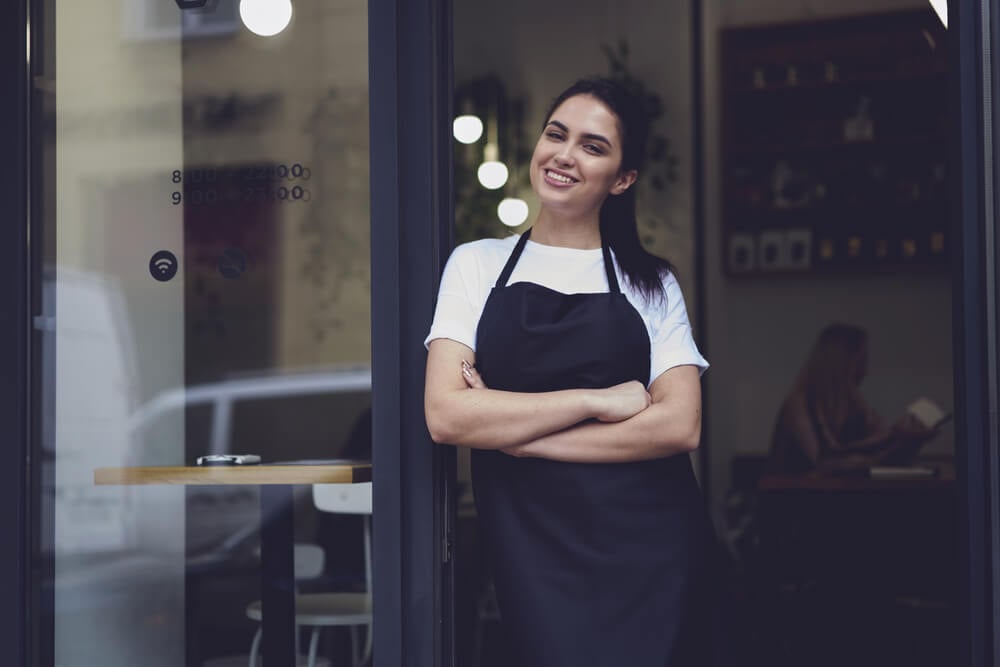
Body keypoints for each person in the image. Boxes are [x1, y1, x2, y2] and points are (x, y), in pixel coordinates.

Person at [424, 78, 714, 667]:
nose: (564, 154)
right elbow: (448, 414)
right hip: (533, 553)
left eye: (592, 146)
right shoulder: (475, 265)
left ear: (623, 178)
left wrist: (525, 439)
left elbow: (679, 426)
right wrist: (597, 400)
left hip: (652, 551)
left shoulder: (651, 284)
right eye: (556, 134)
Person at [766, 323, 933, 475]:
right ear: (843, 363)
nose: (865, 370)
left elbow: (881, 455)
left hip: (837, 496)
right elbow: (822, 461)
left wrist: (909, 441)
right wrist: (890, 437)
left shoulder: (854, 403)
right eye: (861, 360)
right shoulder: (799, 405)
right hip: (797, 497)